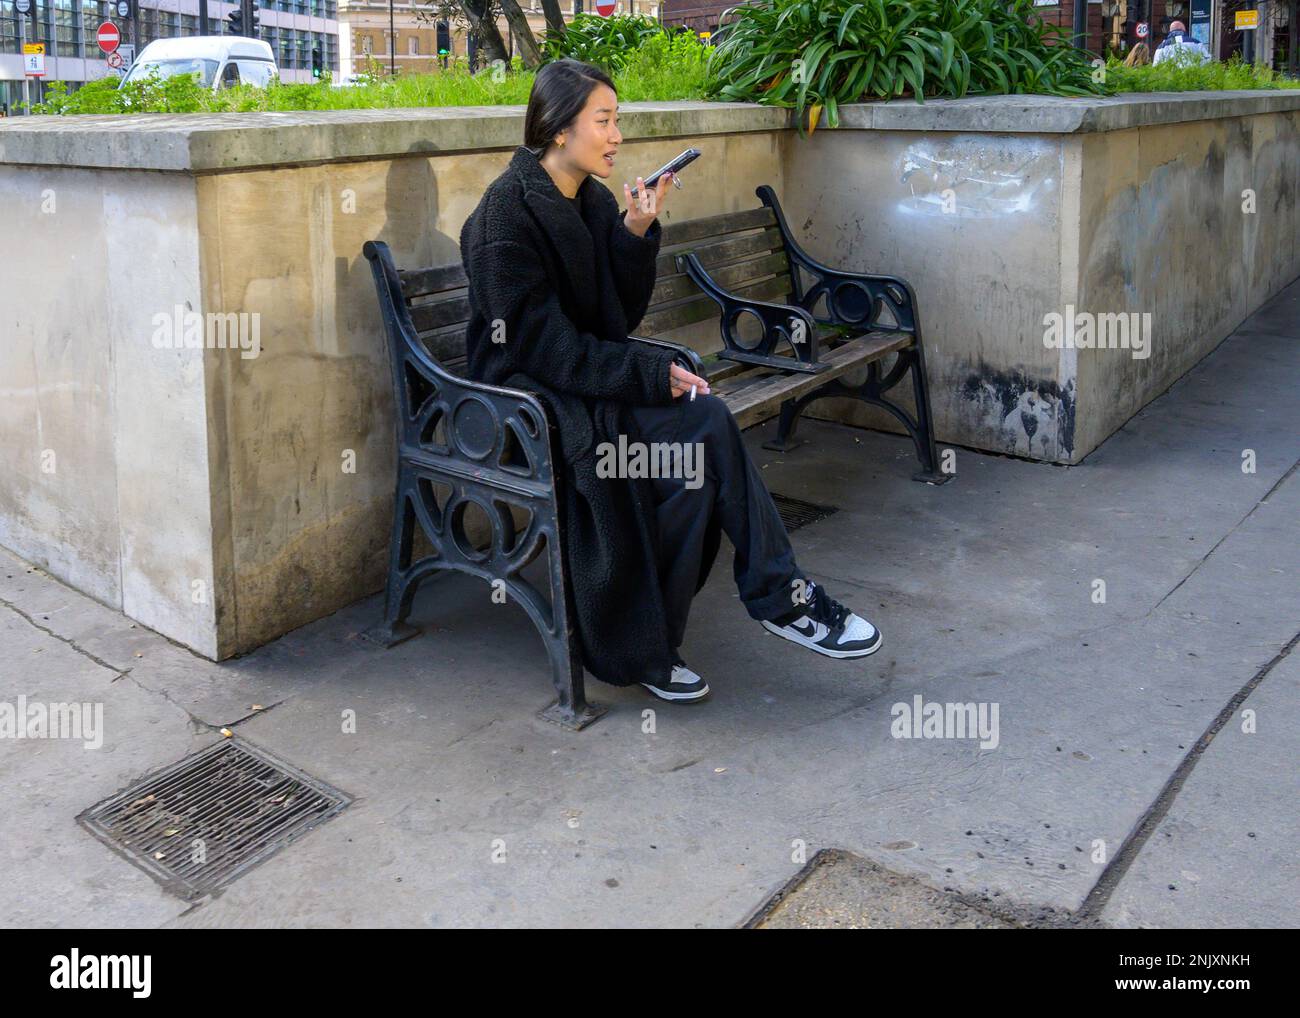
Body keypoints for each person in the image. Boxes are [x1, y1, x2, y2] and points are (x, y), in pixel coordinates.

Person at [458, 59, 882, 703]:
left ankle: (678, 636)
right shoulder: (504, 220)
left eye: (616, 120)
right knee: (696, 433)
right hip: (528, 408)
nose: (617, 135)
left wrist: (633, 233)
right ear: (558, 127)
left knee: (697, 440)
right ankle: (776, 600)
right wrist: (649, 373)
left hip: (583, 385)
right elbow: (541, 348)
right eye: (604, 120)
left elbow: (614, 318)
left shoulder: (592, 201)